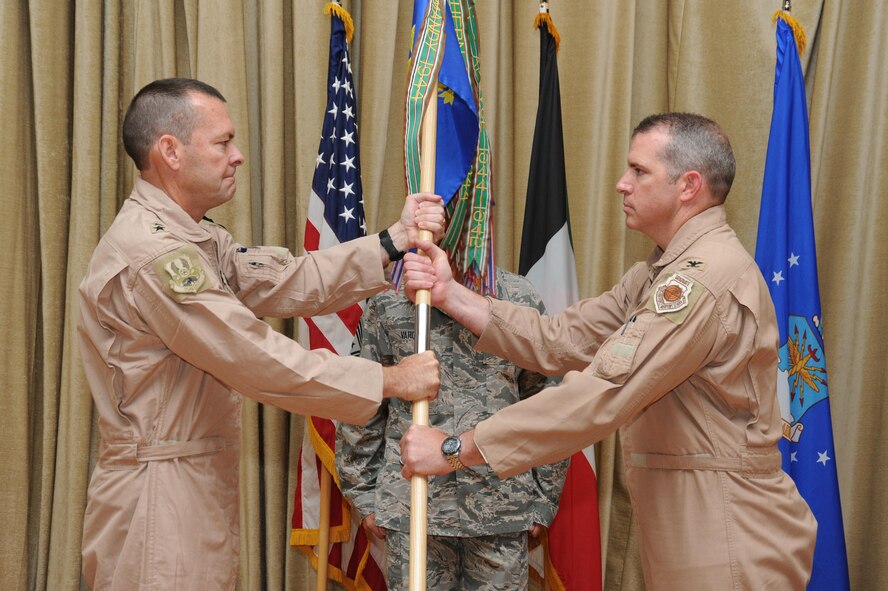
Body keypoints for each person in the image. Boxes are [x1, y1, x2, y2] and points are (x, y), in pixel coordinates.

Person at [399, 113, 818, 590]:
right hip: (693, 521)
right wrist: (451, 294)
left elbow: (603, 393)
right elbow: (559, 339)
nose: (622, 183)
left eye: (639, 171)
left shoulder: (701, 280)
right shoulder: (659, 273)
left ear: (688, 186)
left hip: (725, 528)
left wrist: (455, 449)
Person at [77, 77, 445, 590]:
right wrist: (390, 380)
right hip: (158, 497)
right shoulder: (155, 254)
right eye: (223, 142)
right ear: (171, 152)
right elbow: (254, 356)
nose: (238, 156)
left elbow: (288, 279)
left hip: (190, 481)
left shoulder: (195, 236)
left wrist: (392, 241)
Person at [336, 264, 568, 591]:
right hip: (413, 507)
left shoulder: (517, 297)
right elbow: (365, 398)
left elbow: (547, 400)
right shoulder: (389, 301)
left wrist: (543, 497)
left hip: (499, 507)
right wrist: (365, 496)